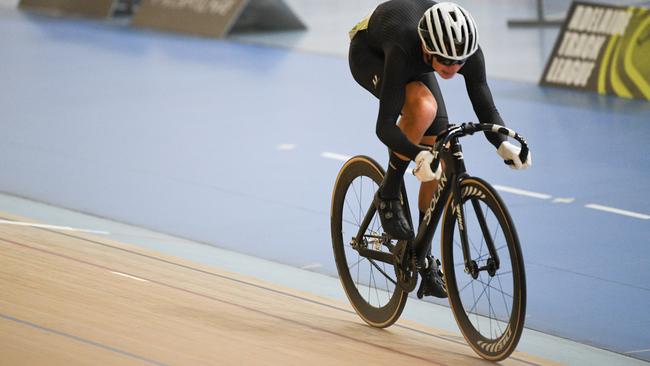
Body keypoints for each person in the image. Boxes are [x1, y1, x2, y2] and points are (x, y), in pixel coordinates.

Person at [348, 0, 531, 298]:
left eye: (458, 63)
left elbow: (483, 98)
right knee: (422, 108)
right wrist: (416, 153)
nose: (453, 68)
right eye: (445, 62)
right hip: (372, 53)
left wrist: (502, 143)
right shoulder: (404, 47)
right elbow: (384, 127)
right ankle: (389, 193)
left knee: (441, 153)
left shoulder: (461, 50)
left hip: (416, 60)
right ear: (428, 47)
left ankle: (421, 255)